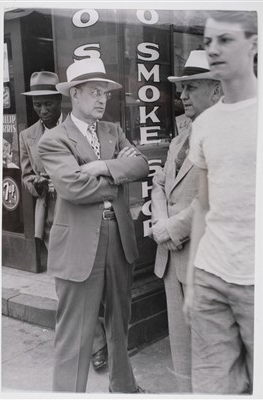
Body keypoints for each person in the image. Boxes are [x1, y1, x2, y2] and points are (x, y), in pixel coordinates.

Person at [37, 57, 149, 393]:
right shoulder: (54, 139)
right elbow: (73, 187)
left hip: (118, 239)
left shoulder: (113, 131)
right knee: (76, 333)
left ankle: (123, 387)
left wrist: (101, 165)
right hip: (79, 246)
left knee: (120, 323)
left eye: (106, 94)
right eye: (95, 92)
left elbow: (142, 166)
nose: (103, 99)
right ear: (75, 94)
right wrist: (117, 174)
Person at [184, 10, 258, 394]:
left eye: (225, 40)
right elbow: (203, 205)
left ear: (255, 45)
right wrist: (195, 282)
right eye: (207, 42)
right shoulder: (205, 124)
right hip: (212, 277)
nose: (213, 49)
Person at [19, 70, 107, 371]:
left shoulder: (79, 129)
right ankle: (95, 343)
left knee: (92, 278)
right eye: (37, 105)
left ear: (61, 101)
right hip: (52, 218)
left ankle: (102, 337)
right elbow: (26, 175)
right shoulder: (27, 136)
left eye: (48, 104)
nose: (43, 111)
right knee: (67, 284)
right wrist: (38, 184)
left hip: (83, 213)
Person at [151, 50, 222, 393]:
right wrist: (162, 222)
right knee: (181, 353)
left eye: (190, 87)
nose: (181, 96)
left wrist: (171, 228)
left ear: (217, 90)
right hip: (171, 258)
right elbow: (160, 183)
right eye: (181, 89)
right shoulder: (181, 137)